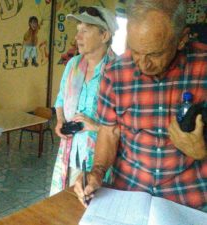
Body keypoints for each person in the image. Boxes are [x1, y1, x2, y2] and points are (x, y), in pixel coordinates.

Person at [74, 0, 207, 212]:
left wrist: (203, 150)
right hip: (129, 194)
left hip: (188, 201)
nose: (143, 64)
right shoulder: (116, 72)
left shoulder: (203, 66)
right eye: (134, 51)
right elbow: (109, 132)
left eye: (154, 54)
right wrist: (97, 172)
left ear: (182, 39)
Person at [50, 6, 118, 196]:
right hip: (70, 152)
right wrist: (60, 120)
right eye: (77, 30)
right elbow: (60, 99)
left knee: (94, 206)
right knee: (67, 204)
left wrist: (95, 126)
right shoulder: (73, 64)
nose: (77, 37)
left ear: (104, 35)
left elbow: (127, 125)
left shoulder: (118, 70)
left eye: (85, 31)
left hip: (101, 160)